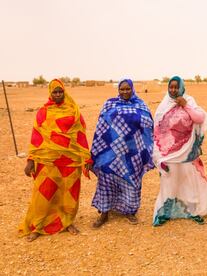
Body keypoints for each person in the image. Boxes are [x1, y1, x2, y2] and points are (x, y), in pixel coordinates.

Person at [19, 79, 92, 241]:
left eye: (60, 91)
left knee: (69, 193)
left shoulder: (74, 111)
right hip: (48, 161)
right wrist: (30, 161)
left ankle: (67, 222)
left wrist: (86, 158)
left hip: (70, 161)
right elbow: (36, 138)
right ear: (50, 93)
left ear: (64, 92)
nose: (58, 94)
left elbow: (80, 135)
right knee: (44, 194)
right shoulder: (43, 112)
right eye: (55, 92)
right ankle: (38, 226)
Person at [91, 78, 154, 227]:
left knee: (132, 181)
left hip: (133, 153)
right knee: (106, 180)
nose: (125, 92)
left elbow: (148, 126)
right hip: (110, 153)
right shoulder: (110, 104)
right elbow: (101, 127)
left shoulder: (141, 105)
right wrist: (97, 152)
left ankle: (130, 211)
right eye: (122, 89)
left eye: (127, 89)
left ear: (132, 89)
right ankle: (104, 212)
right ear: (118, 90)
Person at [152, 76, 207, 226]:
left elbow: (199, 118)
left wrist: (185, 105)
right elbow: (157, 131)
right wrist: (159, 156)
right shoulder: (164, 105)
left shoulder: (189, 101)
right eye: (171, 87)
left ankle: (192, 212)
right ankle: (165, 213)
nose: (173, 90)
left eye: (176, 87)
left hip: (187, 152)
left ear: (182, 87)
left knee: (189, 181)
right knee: (169, 182)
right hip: (169, 153)